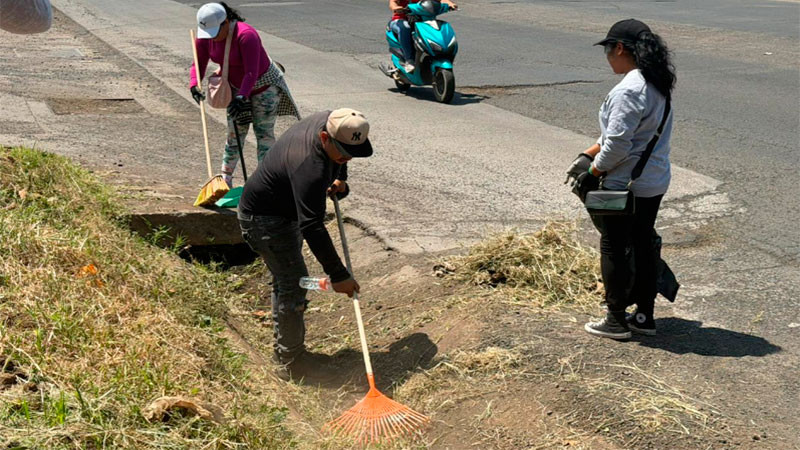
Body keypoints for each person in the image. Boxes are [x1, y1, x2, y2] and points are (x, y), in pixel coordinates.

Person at [238, 108, 373, 379]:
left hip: (284, 210)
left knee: (287, 281)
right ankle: (290, 362)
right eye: (342, 154)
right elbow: (312, 225)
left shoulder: (335, 121)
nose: (347, 158)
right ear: (324, 137)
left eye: (352, 153)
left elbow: (341, 155)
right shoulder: (309, 165)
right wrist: (339, 275)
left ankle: (287, 350)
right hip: (265, 220)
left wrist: (340, 177)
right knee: (293, 283)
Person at [568, 19, 676, 340]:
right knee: (643, 245)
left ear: (619, 48)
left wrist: (592, 173)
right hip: (653, 180)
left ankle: (615, 320)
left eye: (607, 50)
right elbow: (628, 135)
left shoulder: (629, 90)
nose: (607, 58)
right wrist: (588, 154)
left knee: (614, 247)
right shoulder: (656, 81)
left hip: (625, 185)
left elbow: (617, 145)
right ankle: (644, 316)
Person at [189, 2, 300, 187]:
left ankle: (266, 181)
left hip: (264, 86)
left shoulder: (246, 35)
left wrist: (242, 97)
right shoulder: (206, 35)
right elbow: (198, 63)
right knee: (235, 133)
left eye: (215, 32)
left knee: (263, 133)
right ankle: (225, 180)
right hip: (235, 85)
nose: (212, 37)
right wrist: (194, 84)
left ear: (226, 22)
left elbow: (251, 72)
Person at [388, 0, 457, 73]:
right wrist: (396, 8)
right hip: (401, 19)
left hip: (423, 19)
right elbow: (393, 2)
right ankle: (409, 60)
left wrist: (450, 4)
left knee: (438, 27)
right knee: (405, 27)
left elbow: (440, 0)